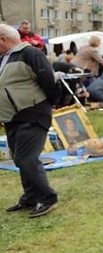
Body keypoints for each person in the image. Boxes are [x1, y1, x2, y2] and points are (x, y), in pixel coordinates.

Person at [0, 24, 59, 218]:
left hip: (32, 113)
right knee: (19, 158)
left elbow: (48, 79)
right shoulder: (5, 58)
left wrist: (49, 103)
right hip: (13, 117)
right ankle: (31, 196)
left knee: (27, 159)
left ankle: (47, 197)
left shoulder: (29, 53)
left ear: (2, 39)